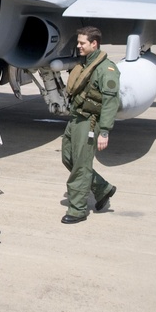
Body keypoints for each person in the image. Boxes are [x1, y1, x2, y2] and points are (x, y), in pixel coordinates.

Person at [60, 26, 120, 224]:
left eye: (82, 43)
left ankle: (78, 209)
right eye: (78, 42)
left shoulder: (106, 70)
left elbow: (111, 102)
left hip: (89, 122)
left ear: (94, 43)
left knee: (80, 166)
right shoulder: (86, 64)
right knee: (68, 158)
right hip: (76, 119)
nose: (78, 46)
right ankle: (102, 188)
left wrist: (104, 132)